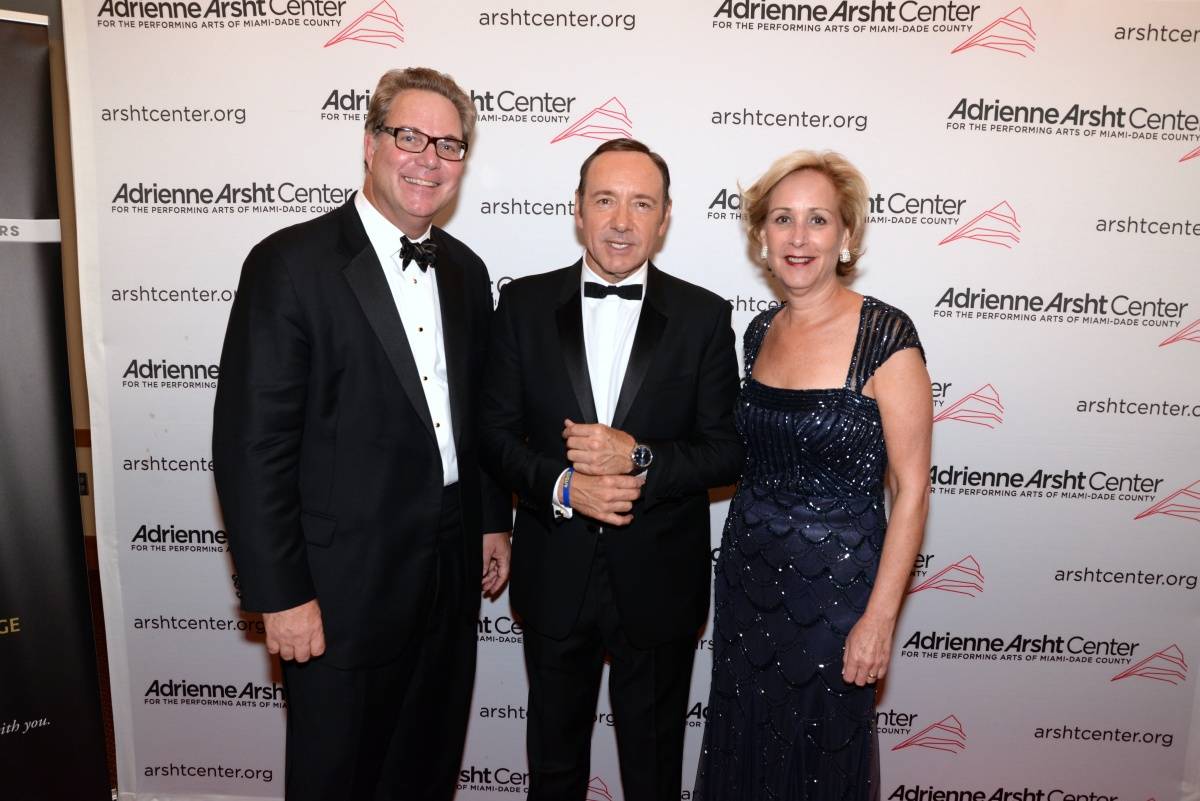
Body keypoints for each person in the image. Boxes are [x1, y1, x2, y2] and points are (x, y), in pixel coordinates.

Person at [212, 67, 512, 801]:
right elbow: (251, 447)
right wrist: (280, 594)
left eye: (448, 143)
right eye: (410, 136)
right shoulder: (289, 264)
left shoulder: (468, 273)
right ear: (371, 144)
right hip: (338, 586)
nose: (429, 158)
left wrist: (490, 522)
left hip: (447, 571)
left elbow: (474, 417)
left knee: (426, 766)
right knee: (336, 777)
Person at [480, 138, 743, 801]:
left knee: (653, 776)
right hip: (553, 576)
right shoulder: (522, 306)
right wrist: (564, 485)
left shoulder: (704, 317)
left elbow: (727, 451)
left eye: (641, 203)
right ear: (577, 210)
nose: (622, 221)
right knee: (554, 770)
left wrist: (640, 458)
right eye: (605, 200)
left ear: (665, 217)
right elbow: (494, 434)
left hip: (659, 584)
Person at [693, 150, 932, 800]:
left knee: (821, 761)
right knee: (748, 747)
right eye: (782, 219)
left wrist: (879, 619)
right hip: (748, 584)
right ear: (761, 237)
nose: (799, 237)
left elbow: (911, 490)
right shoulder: (759, 331)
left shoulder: (886, 337)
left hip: (837, 600)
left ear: (846, 236)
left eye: (818, 219)